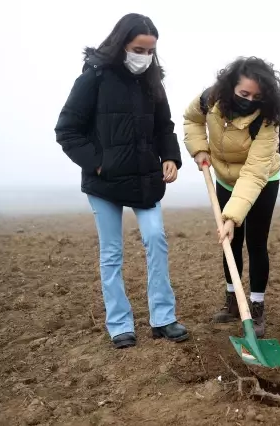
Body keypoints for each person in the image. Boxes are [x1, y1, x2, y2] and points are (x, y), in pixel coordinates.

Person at [54, 13, 189, 349]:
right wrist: (99, 164)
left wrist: (170, 157)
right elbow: (67, 130)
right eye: (137, 49)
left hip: (145, 179)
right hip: (104, 183)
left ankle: (163, 318)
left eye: (149, 50)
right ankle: (119, 325)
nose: (143, 57)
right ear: (121, 44)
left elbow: (164, 126)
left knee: (156, 239)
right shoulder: (94, 78)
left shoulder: (152, 81)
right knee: (111, 253)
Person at [183, 57, 280, 337]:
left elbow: (253, 173)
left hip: (262, 180)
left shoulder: (267, 121)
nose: (249, 100)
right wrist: (199, 149)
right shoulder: (210, 99)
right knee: (230, 242)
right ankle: (232, 302)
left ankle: (256, 307)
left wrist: (231, 216)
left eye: (257, 96)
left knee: (255, 242)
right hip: (225, 179)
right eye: (244, 94)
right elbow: (191, 120)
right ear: (231, 88)